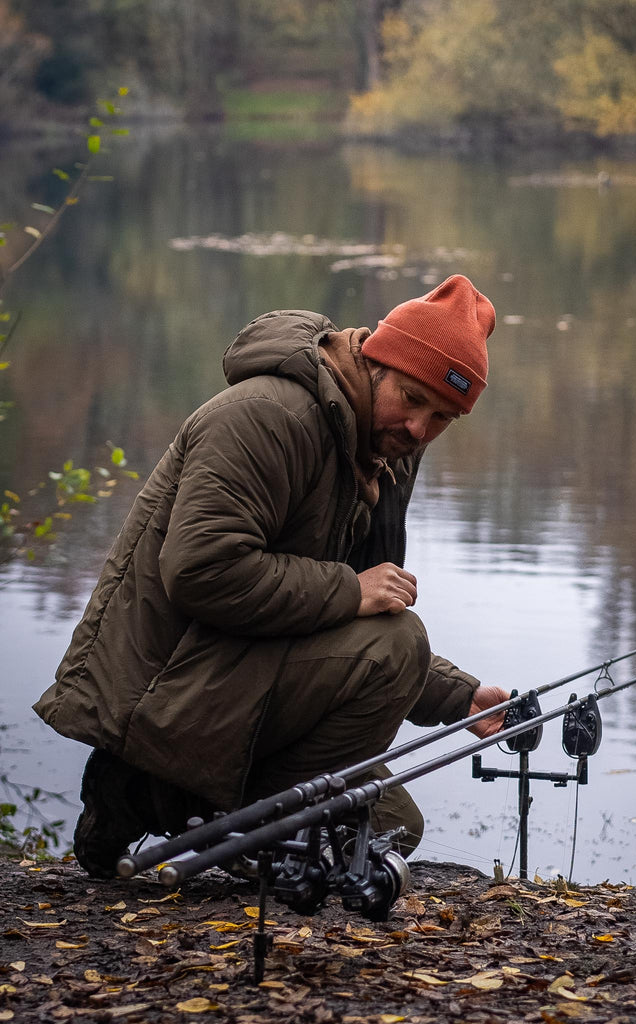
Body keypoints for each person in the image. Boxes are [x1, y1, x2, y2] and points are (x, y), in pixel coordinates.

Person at [33, 274, 509, 879]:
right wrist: (349, 590)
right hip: (166, 690)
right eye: (413, 399)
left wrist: (458, 696)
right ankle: (154, 787)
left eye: (442, 417)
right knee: (398, 646)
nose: (419, 429)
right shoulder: (267, 416)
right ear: (375, 362)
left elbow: (353, 619)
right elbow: (204, 572)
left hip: (244, 666)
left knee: (389, 825)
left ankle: (204, 804)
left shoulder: (379, 451)